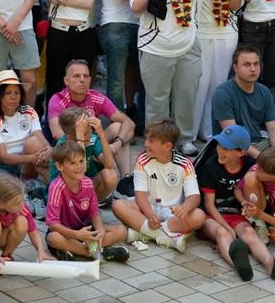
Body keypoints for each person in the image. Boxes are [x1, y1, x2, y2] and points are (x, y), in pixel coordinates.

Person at [130, 0, 212, 154]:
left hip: (188, 47)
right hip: (155, 48)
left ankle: (184, 139)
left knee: (186, 95)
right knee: (157, 100)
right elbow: (136, 8)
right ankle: (157, 141)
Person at [198, 125, 275, 281]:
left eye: (226, 148)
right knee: (222, 234)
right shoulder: (211, 166)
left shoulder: (250, 166)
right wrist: (228, 228)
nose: (220, 150)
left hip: (237, 215)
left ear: (241, 152)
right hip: (213, 216)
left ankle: (271, 265)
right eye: (219, 145)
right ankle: (240, 266)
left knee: (249, 233)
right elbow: (209, 205)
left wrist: (248, 206)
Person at [110, 120, 205, 252]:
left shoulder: (185, 163)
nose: (146, 144)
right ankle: (166, 237)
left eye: (151, 141)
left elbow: (194, 196)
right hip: (147, 208)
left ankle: (142, 233)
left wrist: (185, 207)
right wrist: (150, 215)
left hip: (172, 213)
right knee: (117, 205)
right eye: (147, 139)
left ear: (167, 146)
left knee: (199, 216)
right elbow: (140, 196)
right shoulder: (142, 160)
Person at [212, 47, 275, 164]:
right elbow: (233, 135)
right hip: (234, 147)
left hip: (260, 142)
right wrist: (263, 159)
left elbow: (272, 127)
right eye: (247, 65)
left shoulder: (264, 91)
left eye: (256, 64)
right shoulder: (223, 93)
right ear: (235, 67)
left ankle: (272, 168)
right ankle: (270, 168)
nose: (253, 69)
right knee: (237, 158)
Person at [194, 0, 244, 142]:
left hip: (226, 32)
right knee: (199, 84)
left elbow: (234, 5)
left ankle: (210, 132)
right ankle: (189, 134)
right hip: (201, 31)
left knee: (217, 84)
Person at [46, 60, 135, 177]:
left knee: (119, 128)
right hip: (69, 147)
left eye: (86, 76)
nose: (82, 80)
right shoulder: (57, 100)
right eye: (77, 76)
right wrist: (88, 145)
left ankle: (126, 179)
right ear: (66, 80)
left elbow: (129, 123)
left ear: (90, 79)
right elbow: (58, 134)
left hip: (92, 141)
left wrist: (118, 144)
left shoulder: (95, 97)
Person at [44, 141, 130, 262]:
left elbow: (94, 212)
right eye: (73, 163)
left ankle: (81, 251)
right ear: (60, 166)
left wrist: (100, 230)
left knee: (121, 231)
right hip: (66, 233)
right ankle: (97, 252)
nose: (79, 166)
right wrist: (76, 235)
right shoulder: (57, 187)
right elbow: (52, 224)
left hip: (86, 231)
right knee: (53, 238)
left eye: (81, 161)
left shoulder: (88, 183)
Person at [0, 70, 52, 187]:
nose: (13, 97)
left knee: (34, 142)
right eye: (8, 93)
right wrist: (32, 158)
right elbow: (4, 158)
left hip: (26, 164)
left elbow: (38, 135)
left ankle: (57, 186)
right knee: (2, 188)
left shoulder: (29, 112)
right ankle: (28, 189)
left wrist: (48, 148)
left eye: (17, 93)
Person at [47, 108, 118, 200]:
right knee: (78, 179)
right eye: (86, 132)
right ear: (71, 135)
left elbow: (109, 165)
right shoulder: (63, 146)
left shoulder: (91, 139)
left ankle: (91, 206)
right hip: (64, 190)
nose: (91, 133)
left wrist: (101, 134)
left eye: (91, 130)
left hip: (86, 183)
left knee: (110, 175)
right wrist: (80, 137)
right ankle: (78, 208)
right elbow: (81, 169)